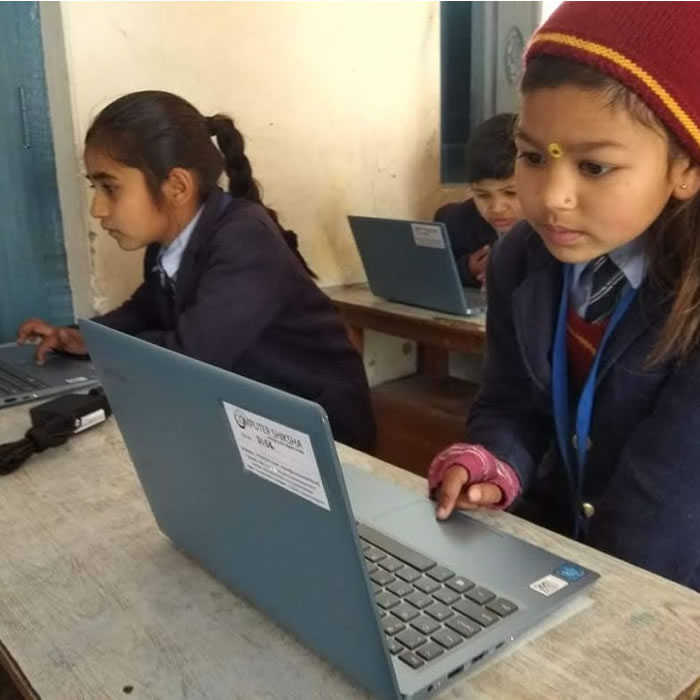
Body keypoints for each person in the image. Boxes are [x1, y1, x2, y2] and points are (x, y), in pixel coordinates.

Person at [429, 2, 700, 590]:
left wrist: (573, 603)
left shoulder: (690, 294)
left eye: (595, 167)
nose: (552, 197)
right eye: (532, 157)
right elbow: (510, 404)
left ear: (685, 168)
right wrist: (494, 462)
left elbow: (664, 506)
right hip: (564, 550)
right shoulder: (519, 259)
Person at [18, 91, 375, 451]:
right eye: (94, 187)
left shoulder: (245, 238)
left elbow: (190, 356)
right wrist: (85, 337)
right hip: (251, 414)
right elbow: (145, 310)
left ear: (177, 187)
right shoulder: (167, 241)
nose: (97, 208)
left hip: (318, 430)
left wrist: (107, 351)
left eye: (110, 188)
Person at [435, 113, 522, 287]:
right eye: (482, 195)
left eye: (511, 193)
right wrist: (467, 269)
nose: (496, 208)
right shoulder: (456, 223)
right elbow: (432, 273)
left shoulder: (557, 229)